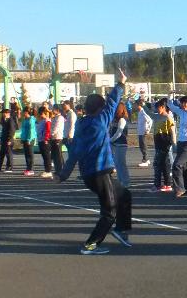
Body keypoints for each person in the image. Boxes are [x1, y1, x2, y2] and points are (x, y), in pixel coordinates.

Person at [55, 68, 132, 255]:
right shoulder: (100, 121)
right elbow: (112, 102)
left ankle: (121, 229)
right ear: (100, 108)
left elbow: (74, 153)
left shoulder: (81, 125)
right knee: (109, 212)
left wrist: (63, 175)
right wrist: (121, 82)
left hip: (90, 175)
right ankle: (90, 244)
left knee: (124, 194)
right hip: (99, 174)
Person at [148, 98, 176, 192]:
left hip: (165, 143)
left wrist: (174, 144)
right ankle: (167, 184)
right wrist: (143, 105)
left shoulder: (168, 117)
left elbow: (172, 132)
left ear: (163, 107)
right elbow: (149, 114)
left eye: (158, 108)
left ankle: (159, 185)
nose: (157, 109)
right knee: (163, 164)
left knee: (158, 164)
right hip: (158, 143)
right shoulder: (157, 117)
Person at [110, 103, 130, 188]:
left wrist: (110, 140)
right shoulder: (114, 119)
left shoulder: (122, 120)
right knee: (117, 164)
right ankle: (120, 181)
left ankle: (126, 182)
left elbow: (119, 133)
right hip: (114, 144)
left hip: (121, 144)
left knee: (121, 164)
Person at [0, 108, 16, 172]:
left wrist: (10, 140)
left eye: (4, 113)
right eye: (3, 113)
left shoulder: (11, 121)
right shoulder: (4, 120)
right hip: (4, 139)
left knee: (9, 154)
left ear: (8, 113)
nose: (3, 115)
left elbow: (12, 131)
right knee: (1, 154)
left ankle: (9, 167)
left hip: (8, 140)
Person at [135, 100, 153, 167]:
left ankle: (145, 160)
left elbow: (150, 120)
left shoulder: (143, 112)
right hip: (140, 132)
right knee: (142, 146)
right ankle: (147, 159)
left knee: (143, 146)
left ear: (139, 105)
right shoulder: (140, 112)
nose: (134, 106)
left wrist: (148, 130)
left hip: (143, 132)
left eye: (136, 105)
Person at [37, 107, 53, 178]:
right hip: (41, 140)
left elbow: (48, 130)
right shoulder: (42, 121)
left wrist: (46, 139)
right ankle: (46, 170)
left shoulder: (47, 120)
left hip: (45, 141)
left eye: (41, 114)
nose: (40, 115)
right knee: (44, 156)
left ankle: (48, 171)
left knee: (47, 156)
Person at [20, 108, 37, 176]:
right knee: (26, 154)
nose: (22, 113)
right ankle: (28, 168)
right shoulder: (25, 119)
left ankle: (31, 169)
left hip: (30, 139)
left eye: (23, 112)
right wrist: (22, 138)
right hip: (24, 138)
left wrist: (29, 139)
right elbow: (23, 130)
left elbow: (31, 131)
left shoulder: (31, 119)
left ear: (27, 112)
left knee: (30, 154)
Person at [50, 105, 66, 174]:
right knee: (55, 155)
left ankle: (61, 170)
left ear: (57, 110)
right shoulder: (55, 117)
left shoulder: (60, 118)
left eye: (53, 109)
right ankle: (57, 170)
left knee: (58, 155)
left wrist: (51, 134)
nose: (52, 110)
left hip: (57, 138)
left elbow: (56, 128)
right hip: (54, 138)